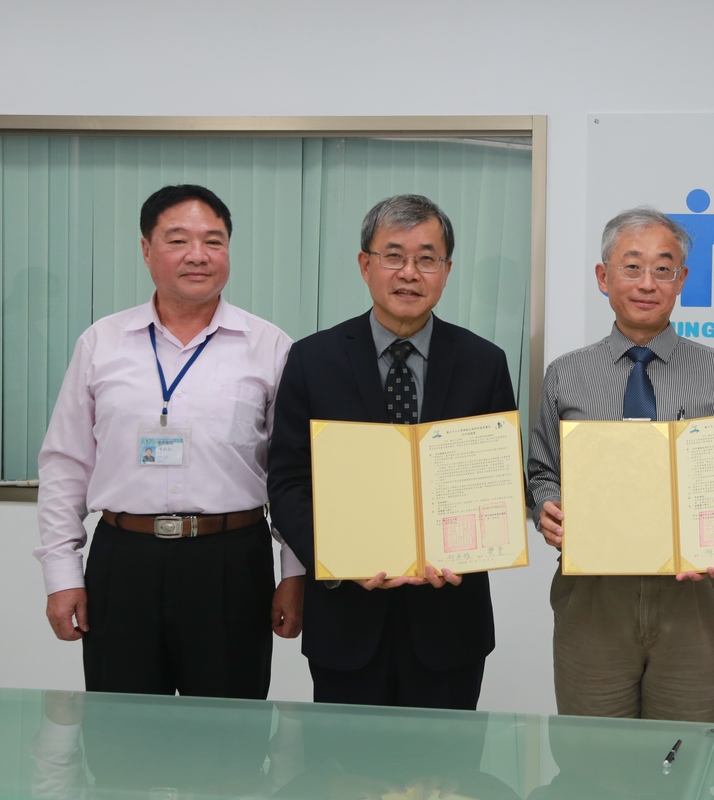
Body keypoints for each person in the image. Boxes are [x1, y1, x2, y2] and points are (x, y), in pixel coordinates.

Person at [35, 184, 304, 699]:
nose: (198, 256)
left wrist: (294, 573)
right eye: (178, 240)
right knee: (122, 735)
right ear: (146, 249)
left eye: (215, 241)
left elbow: (290, 473)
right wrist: (61, 572)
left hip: (230, 562)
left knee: (229, 737)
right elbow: (65, 463)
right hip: (123, 560)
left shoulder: (269, 346)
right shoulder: (101, 343)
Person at [268, 194, 517, 709]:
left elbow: (501, 480)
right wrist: (338, 559)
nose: (410, 273)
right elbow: (289, 482)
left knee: (446, 782)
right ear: (365, 265)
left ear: (446, 270)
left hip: (450, 621)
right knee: (345, 781)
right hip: (346, 620)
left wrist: (471, 551)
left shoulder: (484, 363)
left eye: (427, 258)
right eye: (393, 255)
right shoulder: (313, 360)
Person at [527, 206, 714, 723]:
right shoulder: (565, 375)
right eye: (632, 267)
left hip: (694, 597)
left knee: (687, 757)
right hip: (593, 594)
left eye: (663, 268)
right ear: (603, 277)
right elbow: (541, 470)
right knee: (595, 757)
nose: (647, 282)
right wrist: (547, 506)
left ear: (682, 280)